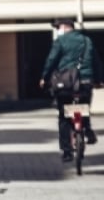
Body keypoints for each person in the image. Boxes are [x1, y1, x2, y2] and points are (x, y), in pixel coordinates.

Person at [39, 17, 104, 161]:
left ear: (63, 26)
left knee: (63, 117)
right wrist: (99, 80)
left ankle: (67, 152)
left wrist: (44, 77)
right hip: (86, 81)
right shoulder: (87, 41)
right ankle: (87, 130)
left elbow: (51, 60)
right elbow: (97, 62)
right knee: (84, 107)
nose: (57, 31)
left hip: (66, 83)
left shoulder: (60, 41)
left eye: (57, 28)